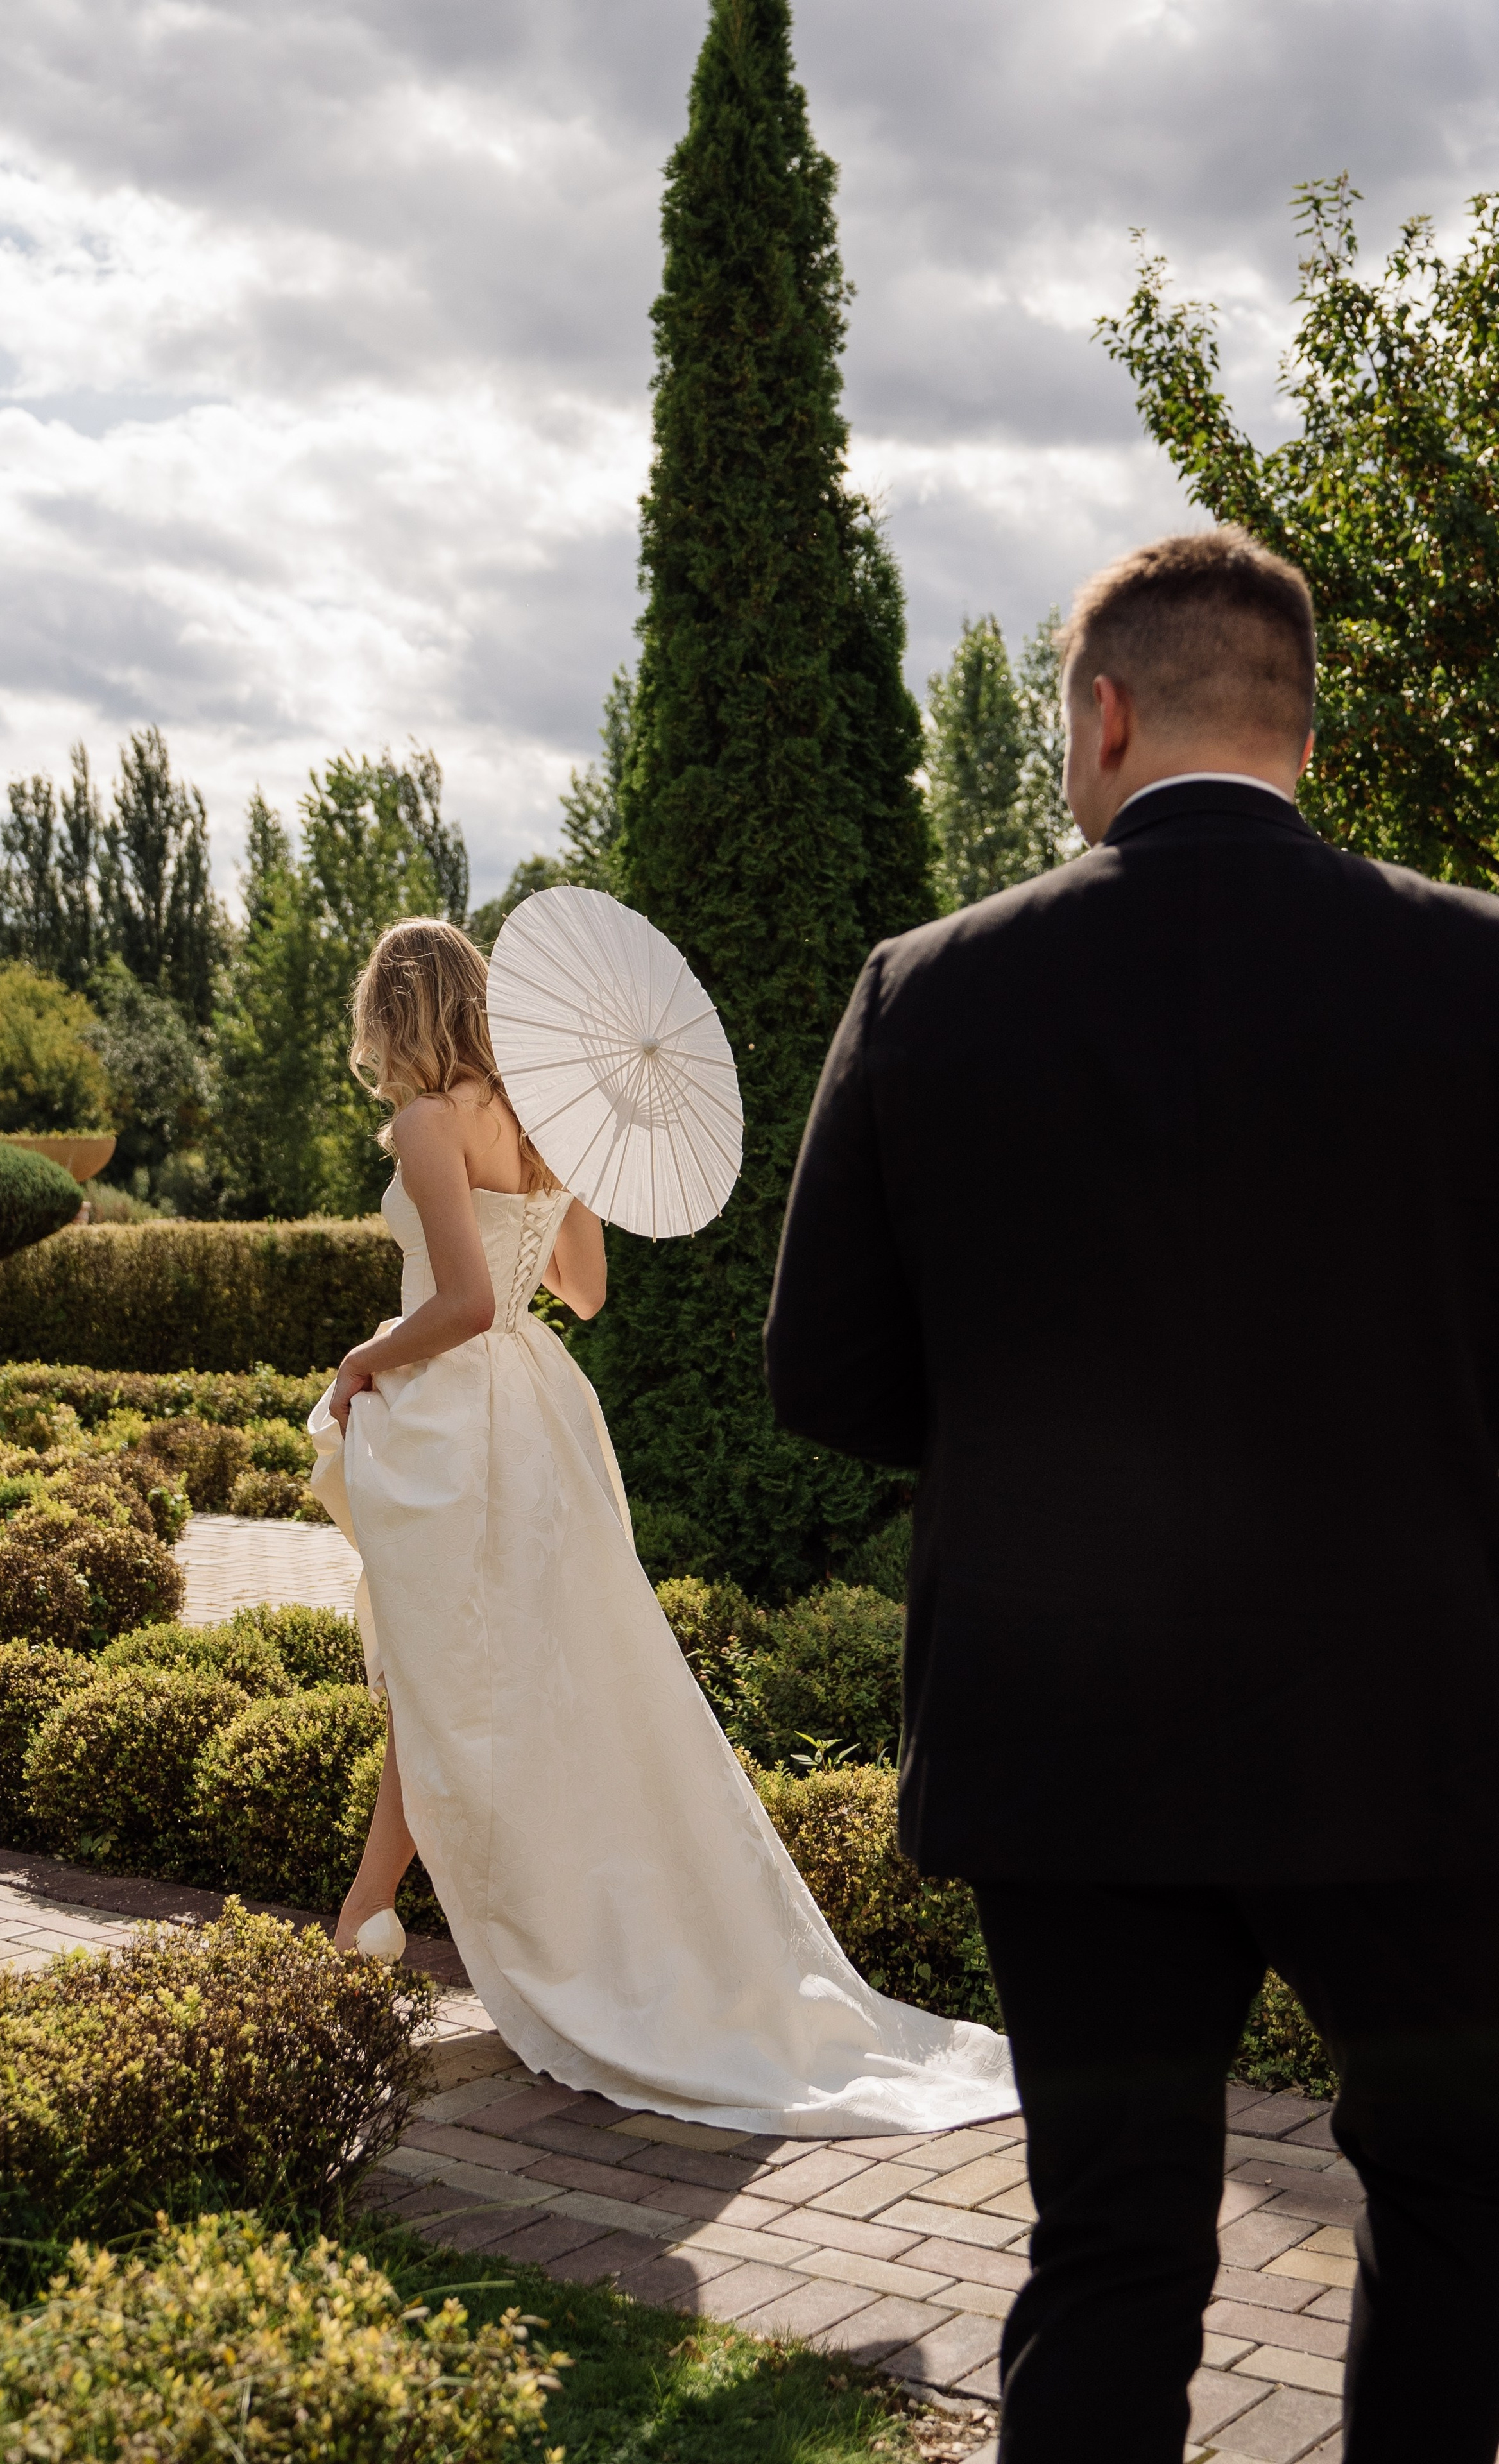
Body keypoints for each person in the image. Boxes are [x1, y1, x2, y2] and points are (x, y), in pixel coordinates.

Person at [765, 527, 1499, 2460]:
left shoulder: (929, 991)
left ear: (1102, 718)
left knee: (1111, 2239)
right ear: (1302, 734)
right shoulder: (1479, 974)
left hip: (1073, 1744)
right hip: (1415, 1727)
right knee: (1456, 2199)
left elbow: (824, 1376)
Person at [308, 914, 1016, 2136]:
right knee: (457, 1689)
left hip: (461, 1422)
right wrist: (559, 1174)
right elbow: (580, 1293)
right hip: (537, 1422)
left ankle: (369, 1931)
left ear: (397, 1016)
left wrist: (366, 1354)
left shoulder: (429, 1121)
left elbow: (470, 1303)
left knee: (440, 1687)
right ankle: (363, 1922)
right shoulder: (534, 1121)